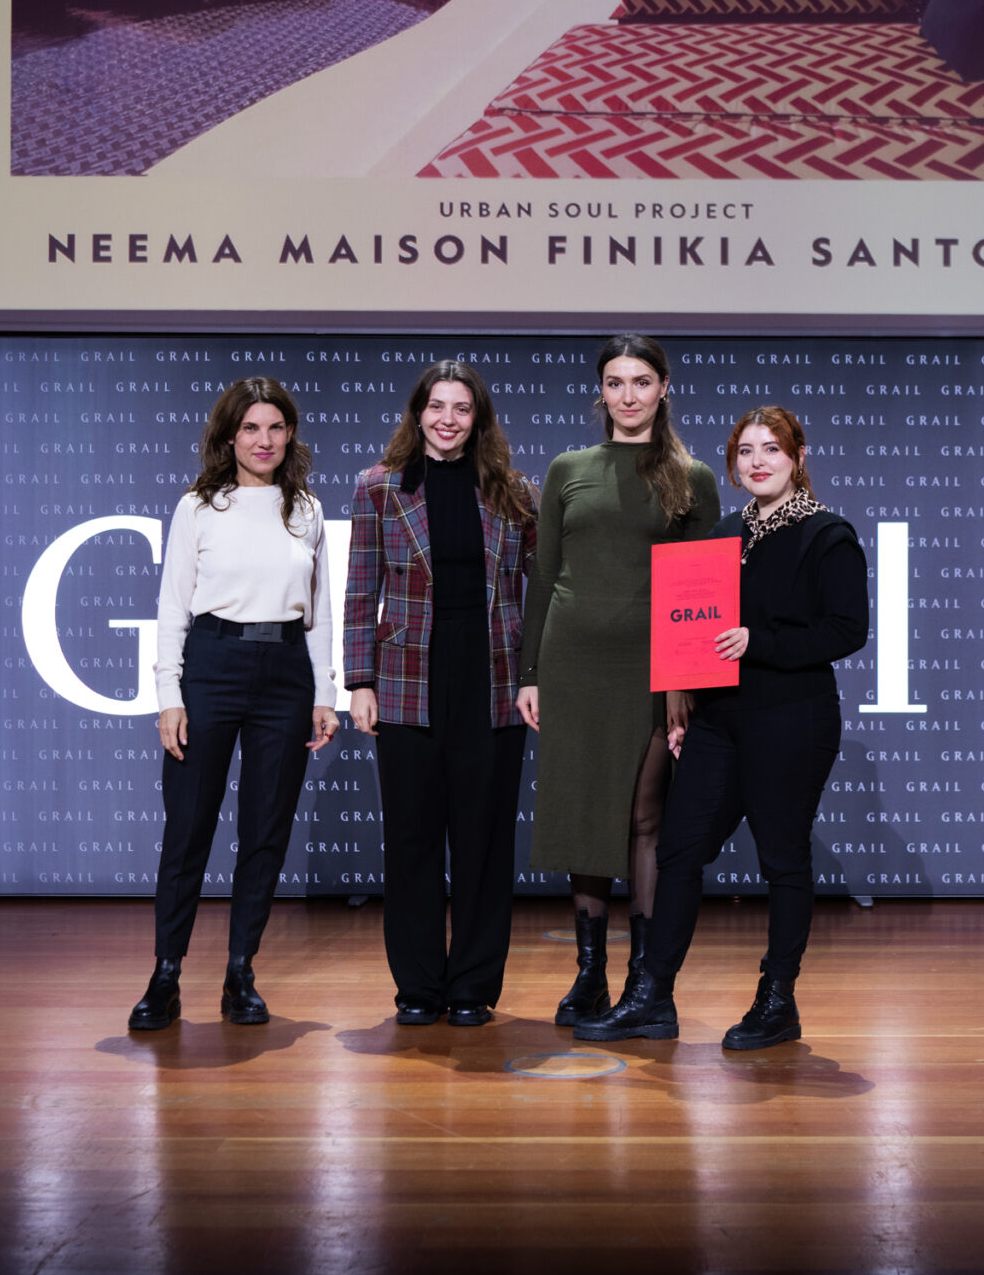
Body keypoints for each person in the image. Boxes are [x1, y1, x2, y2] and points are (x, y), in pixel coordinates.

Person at [575, 404, 867, 1051]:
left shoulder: (826, 534)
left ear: (798, 457)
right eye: (745, 451)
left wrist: (760, 642)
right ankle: (652, 997)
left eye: (772, 449)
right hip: (717, 719)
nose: (758, 462)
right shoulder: (723, 533)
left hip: (791, 717)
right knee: (679, 850)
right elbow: (692, 626)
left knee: (782, 859)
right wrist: (684, 695)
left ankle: (777, 1001)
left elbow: (848, 630)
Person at [517, 334, 721, 1025]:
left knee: (643, 818)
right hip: (572, 663)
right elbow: (544, 575)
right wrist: (531, 673)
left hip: (654, 668)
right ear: (599, 392)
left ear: (664, 388)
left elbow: (702, 591)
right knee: (583, 814)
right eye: (614, 382)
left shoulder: (691, 477)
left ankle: (647, 985)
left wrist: (685, 680)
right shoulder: (567, 469)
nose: (627, 396)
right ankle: (590, 977)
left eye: (640, 382)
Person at [128, 377, 339, 1032]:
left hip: (286, 673)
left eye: (275, 427)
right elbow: (171, 606)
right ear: (229, 437)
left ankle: (240, 973)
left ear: (290, 434)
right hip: (212, 666)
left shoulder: (306, 510)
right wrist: (169, 695)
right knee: (187, 828)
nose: (264, 440)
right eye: (251, 428)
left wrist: (325, 693)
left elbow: (321, 611)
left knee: (265, 831)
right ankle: (165, 975)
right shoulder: (198, 507)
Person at [342, 361, 537, 1026]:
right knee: (412, 839)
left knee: (484, 841)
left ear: (477, 419)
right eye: (436, 406)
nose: (447, 419)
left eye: (461, 408)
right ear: (417, 413)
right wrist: (359, 681)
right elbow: (360, 591)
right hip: (405, 679)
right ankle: (419, 988)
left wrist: (537, 672)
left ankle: (473, 986)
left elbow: (543, 589)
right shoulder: (379, 487)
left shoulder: (514, 491)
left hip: (494, 679)